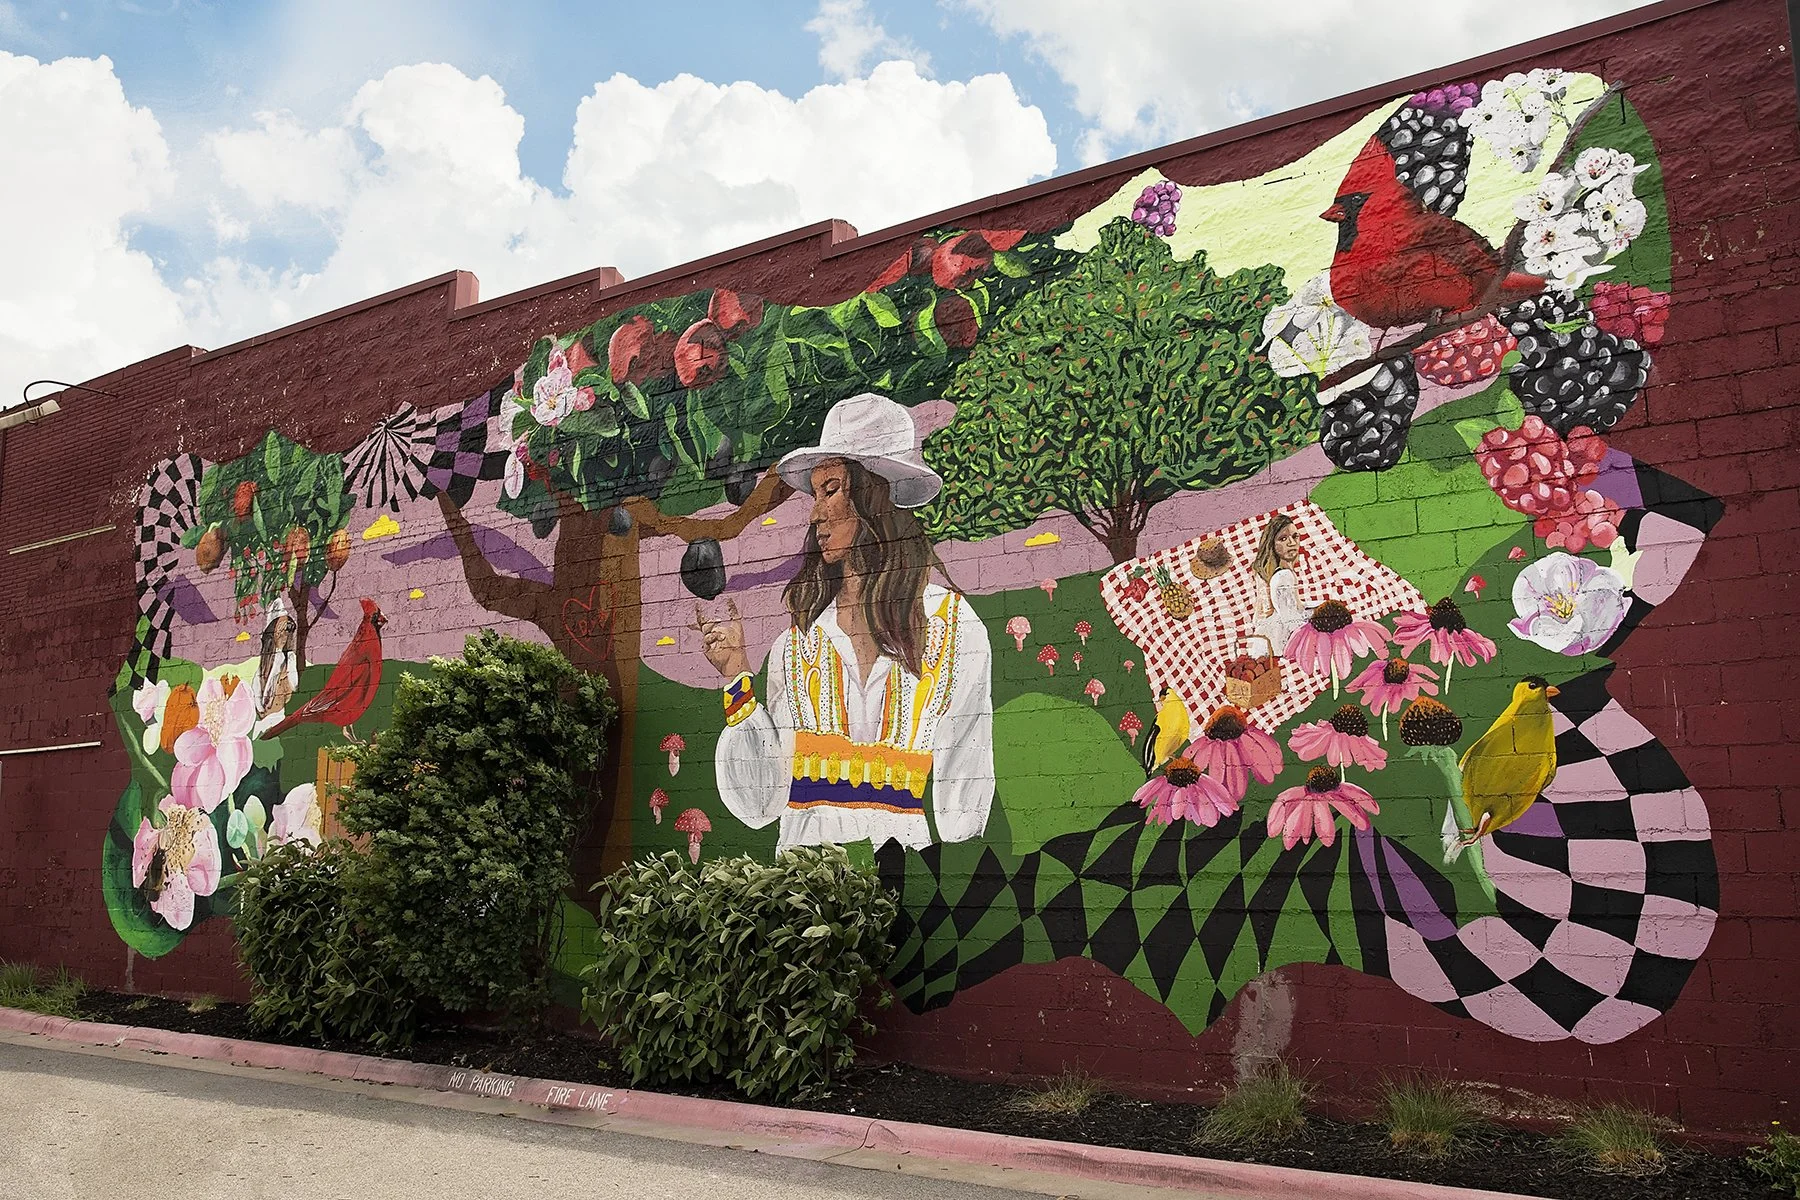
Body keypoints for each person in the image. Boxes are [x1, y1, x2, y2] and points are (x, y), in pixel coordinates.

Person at [697, 392, 995, 853]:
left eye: (831, 490)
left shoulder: (953, 629)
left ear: (874, 494)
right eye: (815, 494)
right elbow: (759, 802)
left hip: (904, 887)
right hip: (801, 896)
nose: (816, 513)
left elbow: (966, 776)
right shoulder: (796, 647)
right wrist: (736, 676)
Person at [1250, 512, 1306, 655]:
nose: (1291, 543)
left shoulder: (1270, 571)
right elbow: (1290, 618)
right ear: (1272, 544)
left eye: (1295, 536)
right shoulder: (1283, 576)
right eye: (1283, 538)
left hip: (1263, 643)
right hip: (1277, 644)